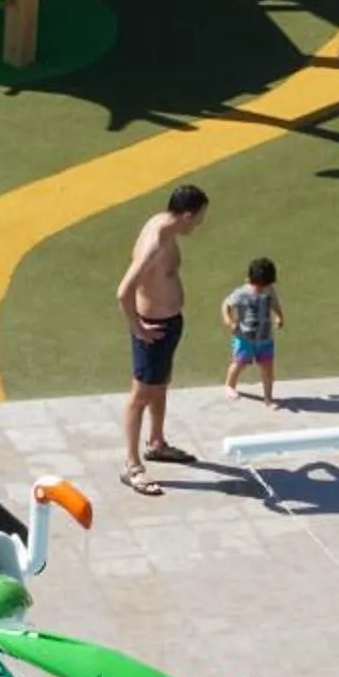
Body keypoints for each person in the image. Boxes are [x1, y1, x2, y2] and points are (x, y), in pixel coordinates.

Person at [116, 183, 208, 495]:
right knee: (140, 395)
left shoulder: (162, 223)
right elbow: (124, 290)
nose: (200, 224)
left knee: (161, 383)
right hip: (152, 329)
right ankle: (132, 465)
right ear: (186, 215)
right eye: (199, 218)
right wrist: (137, 326)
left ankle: (156, 442)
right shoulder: (155, 243)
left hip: (167, 323)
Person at [222, 256, 284, 406]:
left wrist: (280, 316)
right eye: (259, 285)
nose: (262, 289)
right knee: (239, 363)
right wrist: (229, 320)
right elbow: (226, 304)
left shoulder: (269, 290)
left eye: (265, 285)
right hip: (244, 338)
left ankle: (268, 397)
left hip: (265, 337)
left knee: (267, 368)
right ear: (250, 280)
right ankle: (229, 386)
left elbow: (274, 302)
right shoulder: (241, 293)